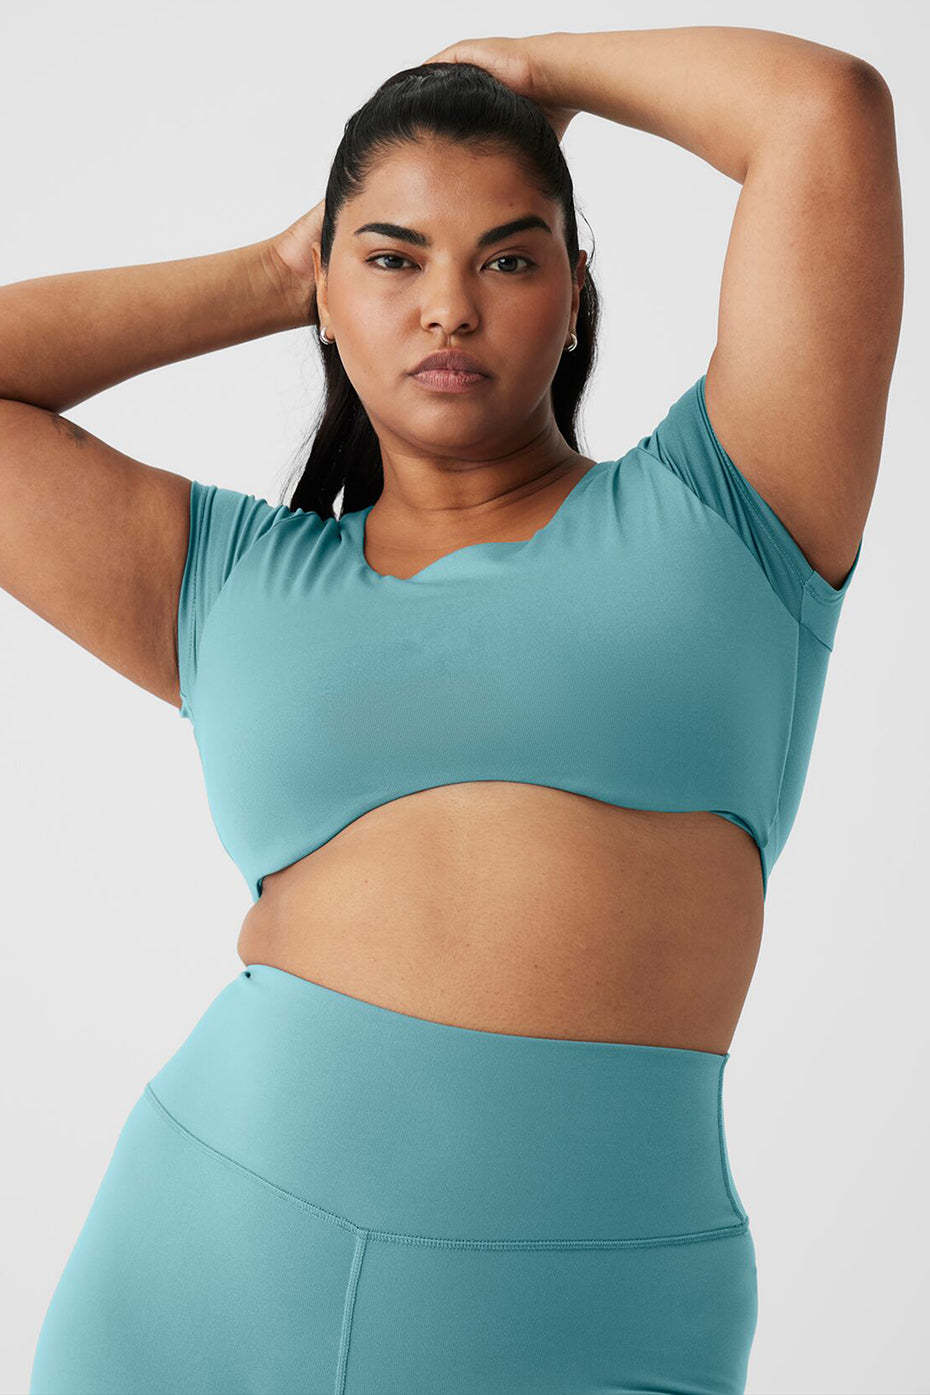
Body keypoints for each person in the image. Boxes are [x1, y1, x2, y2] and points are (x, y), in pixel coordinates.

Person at [4, 26, 901, 1395]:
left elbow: (824, 111)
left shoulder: (733, 512)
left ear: (575, 292)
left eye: (507, 259)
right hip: (205, 1281)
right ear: (329, 289)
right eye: (393, 260)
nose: (448, 308)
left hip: (591, 1316)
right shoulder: (226, 580)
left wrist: (538, 69)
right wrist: (275, 270)